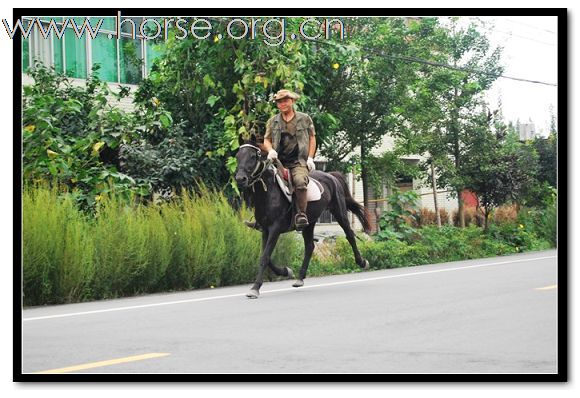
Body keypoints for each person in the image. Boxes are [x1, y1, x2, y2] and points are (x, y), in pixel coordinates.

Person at [245, 89, 317, 231]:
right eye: (279, 102)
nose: (282, 104)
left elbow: (312, 137)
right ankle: (260, 218)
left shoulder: (304, 118)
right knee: (257, 178)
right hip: (278, 161)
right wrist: (270, 150)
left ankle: (301, 215)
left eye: (285, 100)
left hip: (298, 161)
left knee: (300, 181)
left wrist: (310, 157)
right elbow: (267, 139)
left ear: (292, 101)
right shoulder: (273, 121)